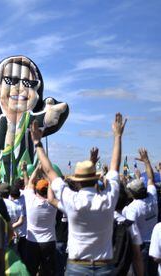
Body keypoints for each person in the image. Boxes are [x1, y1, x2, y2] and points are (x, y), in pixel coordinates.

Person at [39, 113, 126, 275]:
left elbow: (49, 171)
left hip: (77, 267)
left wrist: (37, 143)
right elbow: (115, 167)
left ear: (77, 181)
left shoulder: (71, 199)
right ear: (96, 179)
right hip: (105, 266)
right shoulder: (108, 198)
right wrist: (117, 136)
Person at [0, 55, 69, 185]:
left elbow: (43, 120)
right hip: (7, 174)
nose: (20, 88)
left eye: (29, 83)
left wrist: (50, 114)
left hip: (31, 170)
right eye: (11, 80)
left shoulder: (29, 118)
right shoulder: (2, 120)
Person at [124, 148, 158, 275]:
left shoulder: (132, 208)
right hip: (155, 244)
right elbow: (151, 178)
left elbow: (131, 232)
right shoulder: (152, 197)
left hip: (141, 247)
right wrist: (146, 161)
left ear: (132, 194)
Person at [23, 166, 57, 276]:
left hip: (32, 242)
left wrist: (38, 168)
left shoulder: (30, 199)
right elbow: (53, 184)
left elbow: (31, 182)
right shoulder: (53, 204)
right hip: (49, 242)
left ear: (36, 190)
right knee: (48, 272)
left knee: (31, 271)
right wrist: (47, 175)